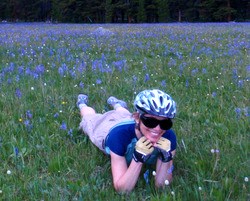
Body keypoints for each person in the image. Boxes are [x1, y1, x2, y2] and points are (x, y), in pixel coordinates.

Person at [77, 89, 177, 193]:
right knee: (90, 118)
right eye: (150, 121)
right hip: (107, 129)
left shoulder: (168, 136)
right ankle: (82, 104)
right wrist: (138, 159)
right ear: (137, 118)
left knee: (124, 114)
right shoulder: (118, 136)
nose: (157, 128)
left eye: (165, 123)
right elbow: (122, 190)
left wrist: (167, 158)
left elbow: (162, 186)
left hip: (129, 121)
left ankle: (118, 104)